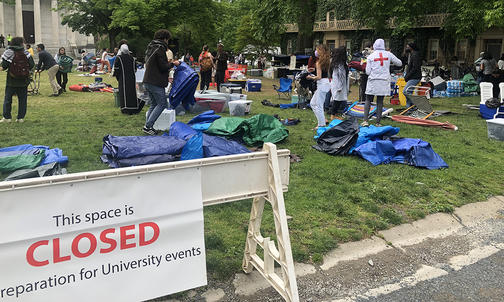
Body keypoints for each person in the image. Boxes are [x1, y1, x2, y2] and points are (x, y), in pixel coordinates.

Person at [142, 29, 180, 135]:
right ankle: (148, 126)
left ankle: (147, 127)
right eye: (168, 40)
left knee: (154, 104)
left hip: (148, 80)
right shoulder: (160, 48)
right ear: (165, 39)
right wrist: (173, 63)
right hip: (155, 81)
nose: (168, 42)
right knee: (162, 103)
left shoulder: (151, 47)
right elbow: (163, 67)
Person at [362, 39, 402, 127]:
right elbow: (399, 63)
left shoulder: (371, 56)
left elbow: (368, 72)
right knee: (380, 101)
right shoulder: (388, 54)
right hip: (383, 81)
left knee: (368, 100)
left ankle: (365, 121)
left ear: (374, 45)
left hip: (373, 80)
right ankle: (378, 122)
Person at [0, 37, 35, 123]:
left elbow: (4, 65)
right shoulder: (26, 52)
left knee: (8, 99)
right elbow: (31, 64)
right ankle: (20, 118)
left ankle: (7, 117)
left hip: (12, 80)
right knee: (22, 100)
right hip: (23, 80)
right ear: (21, 43)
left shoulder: (9, 52)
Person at [113, 44, 143, 114]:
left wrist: (118, 77)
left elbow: (116, 69)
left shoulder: (119, 58)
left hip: (123, 78)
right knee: (131, 92)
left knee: (124, 92)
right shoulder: (132, 58)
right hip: (132, 78)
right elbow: (135, 69)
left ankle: (125, 108)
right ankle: (133, 107)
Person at [307, 44, 331, 129]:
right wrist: (315, 70)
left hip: (321, 84)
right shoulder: (326, 61)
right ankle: (321, 122)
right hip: (326, 83)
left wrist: (311, 77)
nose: (315, 52)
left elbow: (319, 77)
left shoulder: (318, 62)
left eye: (317, 50)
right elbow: (323, 72)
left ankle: (321, 125)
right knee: (313, 103)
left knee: (319, 105)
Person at [330, 46, 349, 121]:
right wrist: (340, 87)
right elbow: (340, 76)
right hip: (338, 85)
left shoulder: (339, 63)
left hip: (339, 84)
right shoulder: (339, 65)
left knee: (339, 100)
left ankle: (334, 114)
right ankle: (333, 115)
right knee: (337, 100)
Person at [403, 42, 422, 108]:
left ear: (411, 48)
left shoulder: (415, 55)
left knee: (406, 91)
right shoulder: (412, 54)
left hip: (415, 77)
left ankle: (414, 105)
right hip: (412, 76)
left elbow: (415, 68)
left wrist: (407, 76)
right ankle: (409, 107)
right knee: (409, 92)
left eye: (408, 47)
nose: (406, 48)